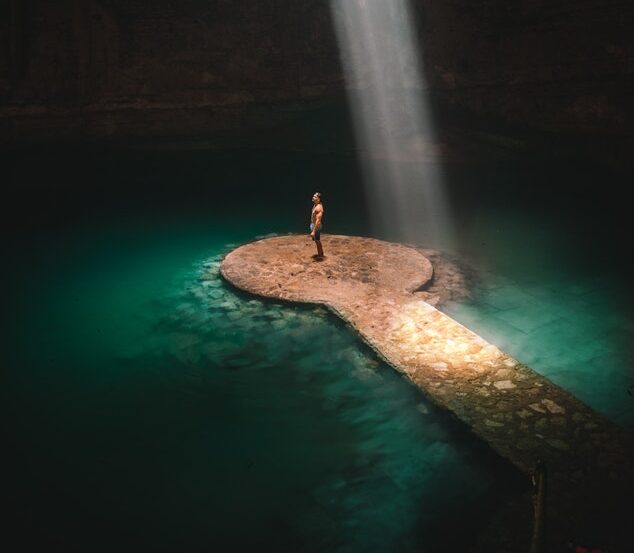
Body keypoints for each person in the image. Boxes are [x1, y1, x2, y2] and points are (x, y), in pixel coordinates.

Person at [310, 192, 324, 259]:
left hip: (316, 226)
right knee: (316, 240)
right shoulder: (315, 204)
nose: (313, 197)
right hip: (314, 225)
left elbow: (318, 221)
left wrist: (313, 231)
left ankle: (320, 255)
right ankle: (320, 253)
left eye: (315, 197)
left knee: (317, 241)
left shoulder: (319, 208)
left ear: (318, 199)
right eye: (313, 196)